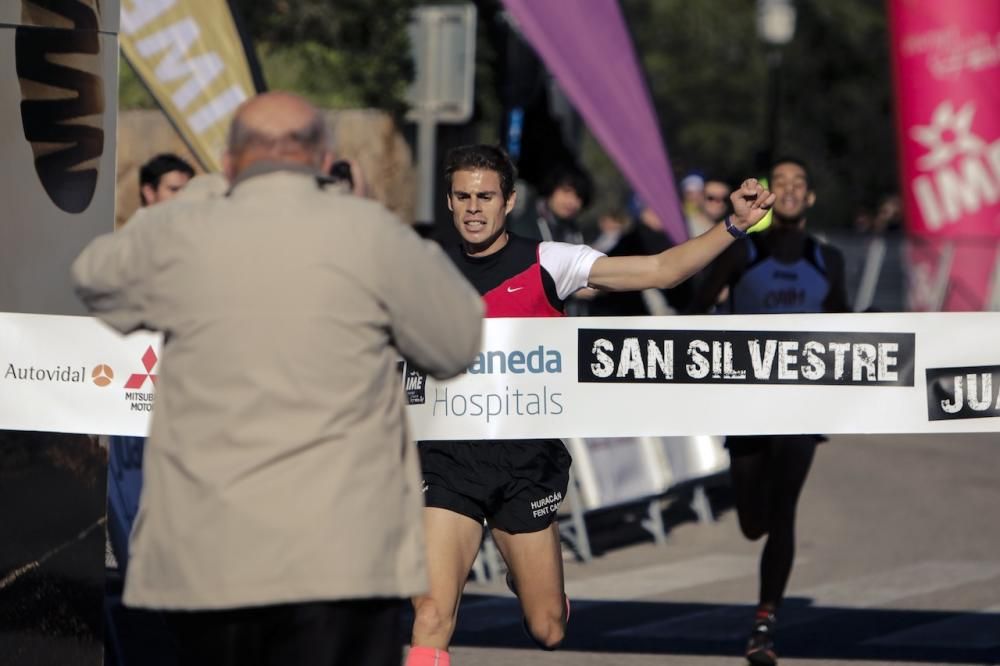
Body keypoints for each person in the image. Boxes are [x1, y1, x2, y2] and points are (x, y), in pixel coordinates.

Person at [73, 91, 484, 666]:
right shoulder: (369, 233)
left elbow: (95, 279)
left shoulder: (185, 232)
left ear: (233, 161)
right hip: (343, 557)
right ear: (322, 161)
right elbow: (457, 340)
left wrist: (209, 191)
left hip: (213, 554)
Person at [406, 144, 775, 666]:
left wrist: (733, 227)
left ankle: (534, 577)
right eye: (462, 196)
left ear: (508, 201)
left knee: (548, 628)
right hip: (446, 464)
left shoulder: (549, 262)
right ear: (448, 201)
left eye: (485, 197)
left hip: (525, 463)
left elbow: (660, 270)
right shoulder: (422, 268)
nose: (473, 208)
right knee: (430, 617)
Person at [688, 158, 849, 666]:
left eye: (800, 182)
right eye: (781, 183)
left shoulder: (829, 260)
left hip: (802, 406)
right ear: (771, 195)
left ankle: (764, 622)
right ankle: (764, 596)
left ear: (811, 196)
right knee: (752, 520)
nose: (791, 189)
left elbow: (843, 325)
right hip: (747, 402)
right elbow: (697, 306)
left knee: (783, 513)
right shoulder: (744, 252)